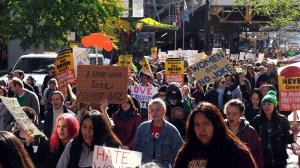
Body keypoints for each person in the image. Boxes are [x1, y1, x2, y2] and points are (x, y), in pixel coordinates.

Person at [174, 102, 257, 168]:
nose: (201, 129)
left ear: (216, 125)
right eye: (197, 124)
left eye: (206, 123)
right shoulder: (186, 152)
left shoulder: (236, 151)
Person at [57, 110, 122, 168]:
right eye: (84, 127)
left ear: (99, 130)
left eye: (92, 128)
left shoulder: (112, 148)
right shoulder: (73, 145)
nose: (87, 132)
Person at [251, 90, 298, 168]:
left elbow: (288, 139)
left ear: (274, 105)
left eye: (269, 104)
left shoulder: (282, 120)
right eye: (264, 104)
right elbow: (253, 140)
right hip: (263, 159)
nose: (266, 106)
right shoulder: (257, 120)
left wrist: (294, 133)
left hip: (279, 160)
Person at [133, 98, 183, 167]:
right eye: (152, 110)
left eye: (158, 110)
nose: (155, 112)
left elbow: (180, 151)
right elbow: (135, 150)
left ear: (164, 111)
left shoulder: (172, 130)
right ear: (149, 112)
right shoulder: (142, 128)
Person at [224, 99, 264, 168]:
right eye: (228, 113)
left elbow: (258, 155)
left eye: (234, 114)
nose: (231, 117)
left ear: (241, 114)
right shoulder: (220, 130)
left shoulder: (250, 132)